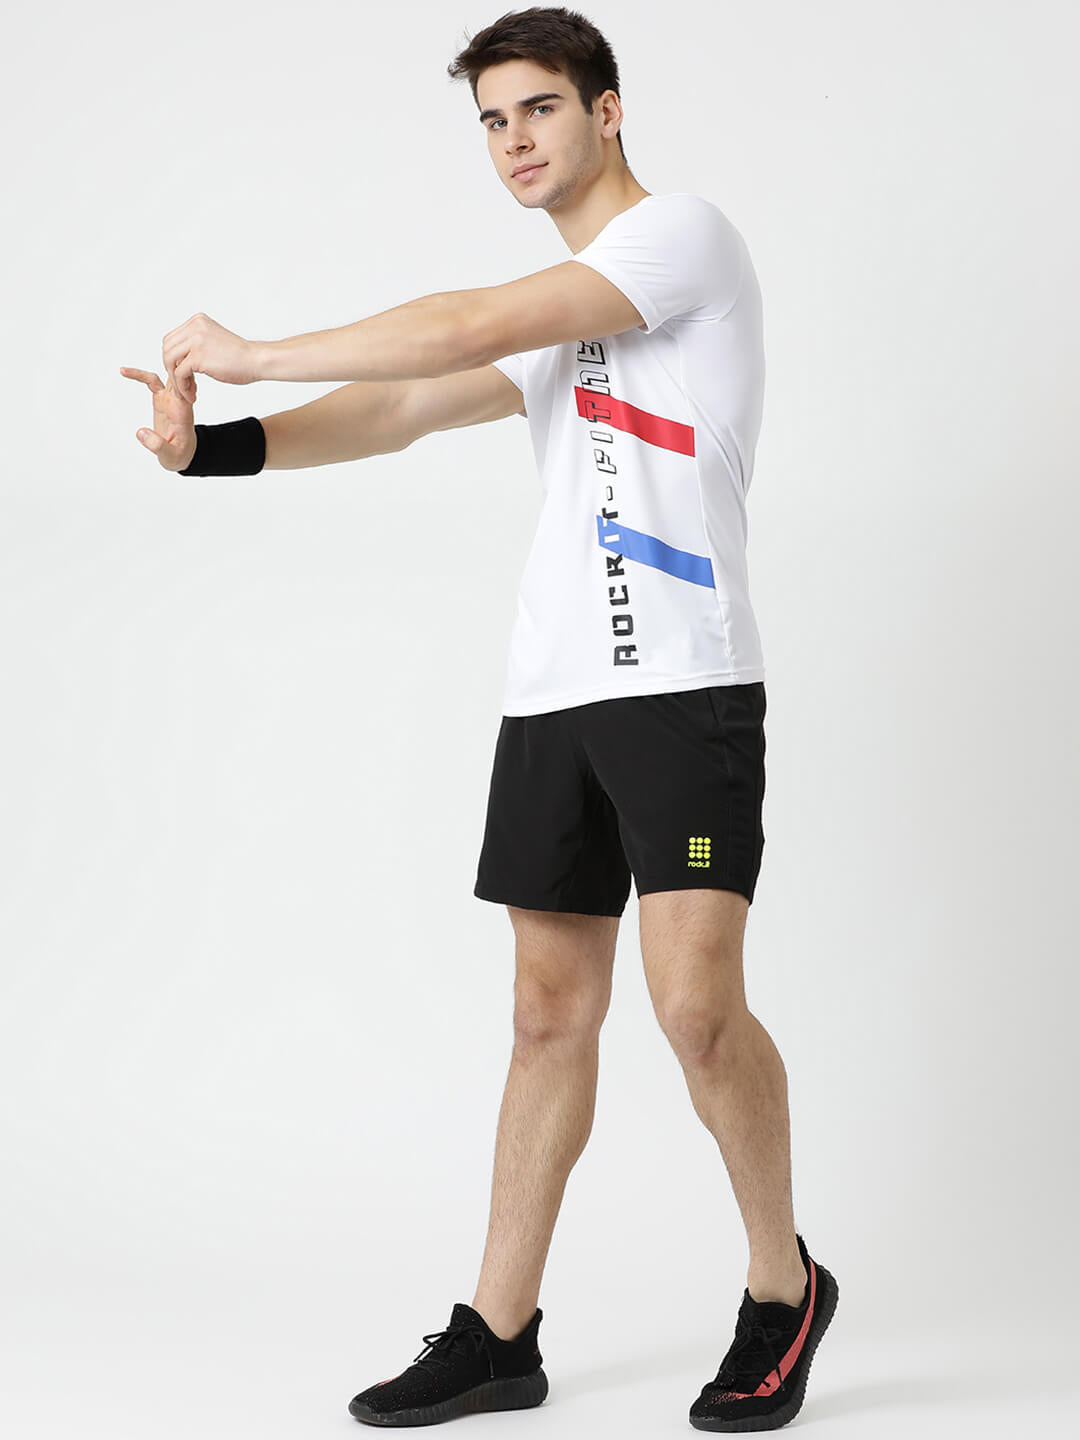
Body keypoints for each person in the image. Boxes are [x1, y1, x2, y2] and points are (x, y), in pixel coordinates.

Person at [121, 6, 838, 1431]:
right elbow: (398, 409)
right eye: (493, 122)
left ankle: (784, 1287)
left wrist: (254, 351)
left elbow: (467, 321)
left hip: (682, 685)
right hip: (553, 692)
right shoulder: (564, 316)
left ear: (608, 111)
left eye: (539, 109)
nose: (514, 141)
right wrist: (220, 449)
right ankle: (499, 1334)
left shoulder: (680, 242)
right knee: (545, 1012)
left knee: (696, 1011)